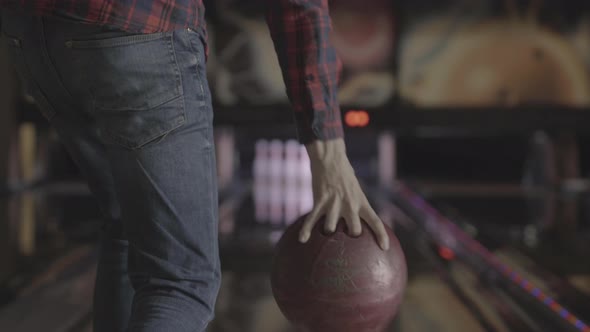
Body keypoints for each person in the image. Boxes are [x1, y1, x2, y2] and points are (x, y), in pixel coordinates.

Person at [0, 1, 390, 331]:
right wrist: (331, 154)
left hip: (31, 31)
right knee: (182, 281)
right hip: (139, 26)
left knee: (127, 228)